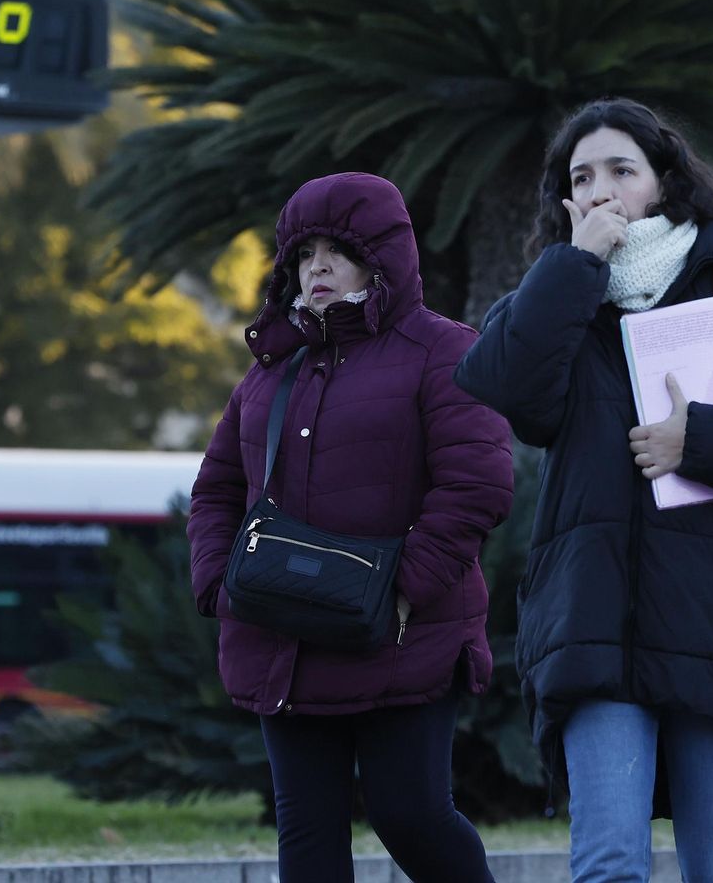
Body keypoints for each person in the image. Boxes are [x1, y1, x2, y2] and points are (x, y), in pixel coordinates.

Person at [454, 99, 713, 883]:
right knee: (607, 864)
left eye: (620, 170)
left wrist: (699, 441)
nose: (601, 189)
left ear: (665, 181)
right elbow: (507, 389)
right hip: (593, 623)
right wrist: (575, 267)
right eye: (582, 177)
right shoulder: (559, 296)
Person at [189, 172, 514, 882]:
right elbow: (215, 488)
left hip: (404, 637)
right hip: (285, 637)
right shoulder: (271, 369)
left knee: (411, 815)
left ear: (382, 258)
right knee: (306, 840)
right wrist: (219, 583)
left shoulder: (444, 350)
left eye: (338, 250)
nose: (319, 267)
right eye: (305, 255)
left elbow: (478, 483)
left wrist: (406, 587)